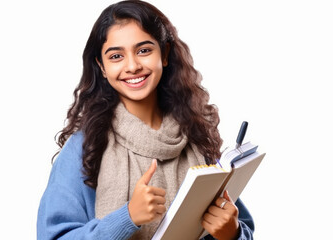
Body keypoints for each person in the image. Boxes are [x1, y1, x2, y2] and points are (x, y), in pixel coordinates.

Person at [37, 1, 255, 239]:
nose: (132, 66)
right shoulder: (84, 148)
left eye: (144, 50)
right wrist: (128, 216)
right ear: (101, 66)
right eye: (116, 56)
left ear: (165, 54)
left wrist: (231, 233)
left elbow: (240, 225)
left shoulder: (196, 137)